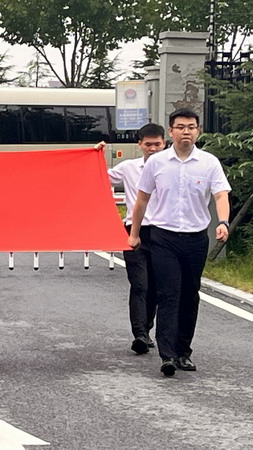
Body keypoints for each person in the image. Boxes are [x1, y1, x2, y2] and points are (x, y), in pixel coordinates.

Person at [128, 108, 231, 377]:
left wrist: (223, 221)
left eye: (191, 127)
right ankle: (168, 355)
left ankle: (183, 351)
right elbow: (142, 200)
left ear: (198, 131)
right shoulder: (157, 163)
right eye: (181, 127)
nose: (186, 131)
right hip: (163, 238)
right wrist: (134, 234)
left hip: (196, 239)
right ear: (171, 131)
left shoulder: (209, 162)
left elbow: (221, 195)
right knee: (168, 293)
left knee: (189, 294)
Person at [107, 123, 166, 355]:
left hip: (164, 232)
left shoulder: (172, 169)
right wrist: (95, 154)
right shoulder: (128, 168)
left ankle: (147, 328)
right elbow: (98, 178)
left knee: (155, 286)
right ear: (139, 145)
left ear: (164, 144)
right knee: (140, 284)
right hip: (135, 232)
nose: (153, 148)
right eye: (148, 144)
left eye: (157, 144)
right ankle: (139, 334)